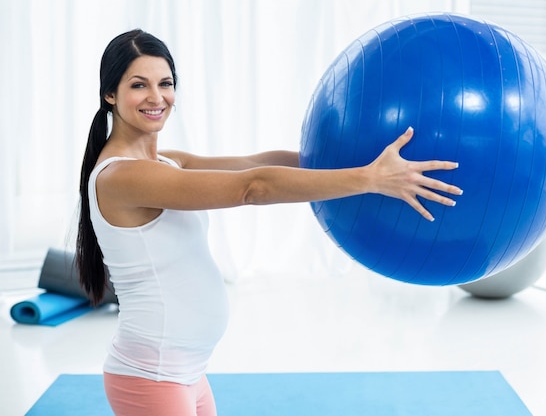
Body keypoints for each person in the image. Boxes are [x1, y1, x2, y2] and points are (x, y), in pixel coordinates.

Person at [76, 29, 463, 416]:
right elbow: (253, 187)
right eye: (139, 85)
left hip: (185, 373)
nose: (157, 97)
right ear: (110, 93)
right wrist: (370, 179)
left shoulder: (164, 163)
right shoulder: (121, 178)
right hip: (151, 376)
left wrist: (350, 155)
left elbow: (254, 163)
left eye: (166, 83)